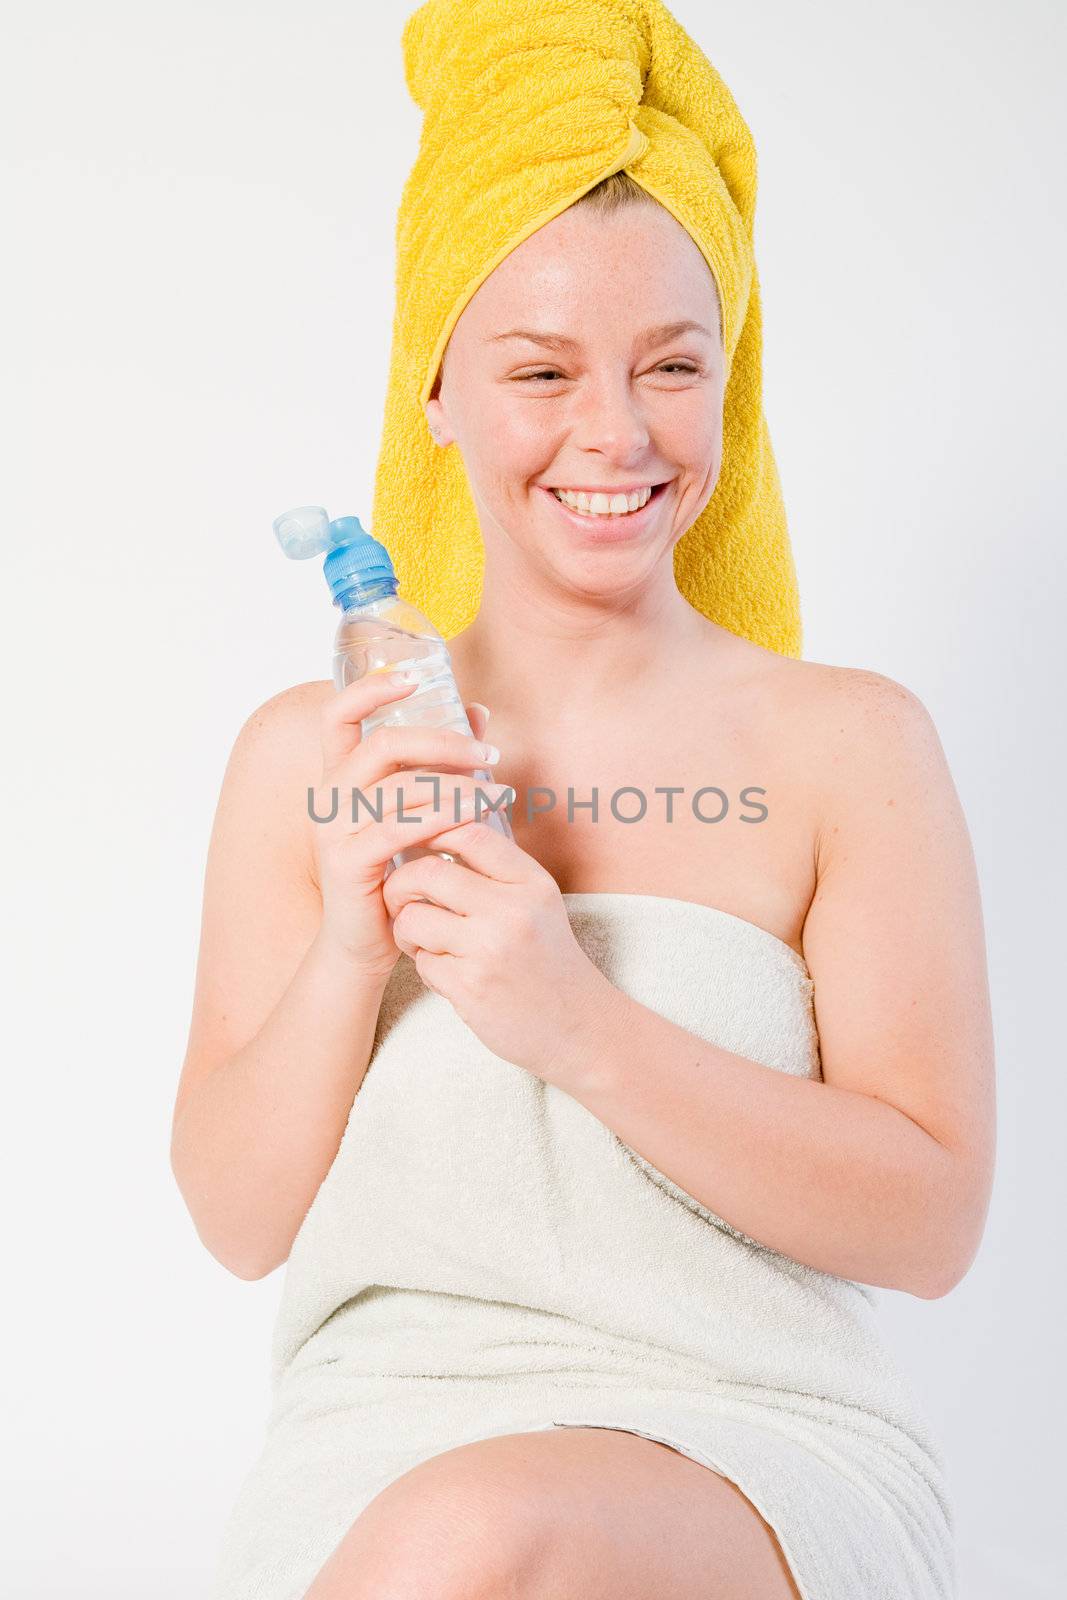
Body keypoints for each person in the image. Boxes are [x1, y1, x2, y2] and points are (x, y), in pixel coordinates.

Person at [171, 7, 995, 1599]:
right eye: (541, 370)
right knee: (450, 1530)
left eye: (672, 367)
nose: (615, 435)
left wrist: (578, 1021)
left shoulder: (852, 749)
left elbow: (933, 1224)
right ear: (437, 390)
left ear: (726, 381)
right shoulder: (315, 758)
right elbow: (235, 1218)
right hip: (371, 1453)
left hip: (753, 1448)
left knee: (481, 1536)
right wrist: (353, 949)